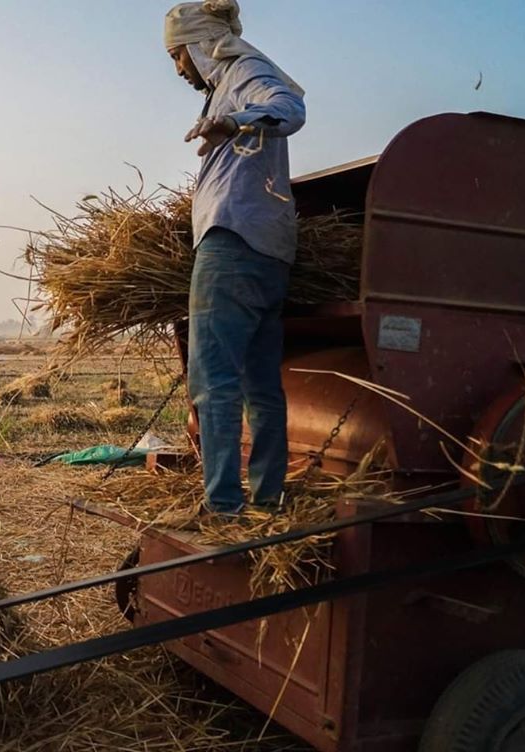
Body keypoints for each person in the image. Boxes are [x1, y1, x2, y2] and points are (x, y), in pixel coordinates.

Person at [164, 1, 306, 516]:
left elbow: (289, 107)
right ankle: (268, 500)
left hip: (231, 244)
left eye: (178, 55)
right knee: (260, 384)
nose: (179, 68)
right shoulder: (228, 84)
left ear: (200, 44)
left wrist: (233, 120)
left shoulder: (243, 71)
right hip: (269, 250)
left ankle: (223, 506)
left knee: (213, 380)